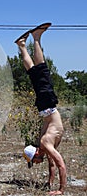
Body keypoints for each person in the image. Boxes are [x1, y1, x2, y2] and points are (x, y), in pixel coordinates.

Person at [14, 23, 67, 195]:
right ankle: (22, 45)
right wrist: (50, 183)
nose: (36, 164)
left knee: (41, 70)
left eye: (34, 161)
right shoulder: (44, 145)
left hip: (48, 105)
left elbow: (61, 164)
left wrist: (61, 190)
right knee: (34, 75)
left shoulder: (44, 143)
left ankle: (36, 37)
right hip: (45, 108)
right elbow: (52, 163)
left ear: (36, 154)